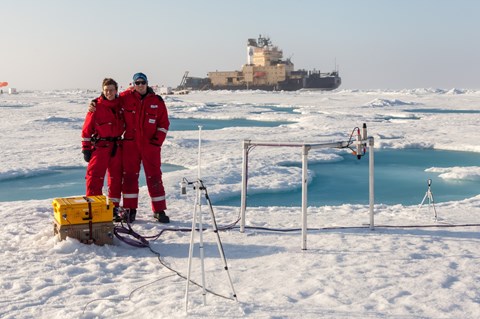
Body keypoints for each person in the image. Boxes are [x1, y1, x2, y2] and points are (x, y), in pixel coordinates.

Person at [90, 73, 170, 223]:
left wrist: (156, 142)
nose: (140, 85)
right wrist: (95, 103)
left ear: (147, 83)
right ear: (133, 84)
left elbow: (164, 124)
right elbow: (109, 101)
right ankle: (129, 210)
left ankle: (159, 210)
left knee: (154, 177)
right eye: (137, 83)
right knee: (130, 177)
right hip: (130, 145)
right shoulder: (125, 98)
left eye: (142, 82)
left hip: (150, 146)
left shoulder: (157, 101)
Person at [82, 78, 124, 214]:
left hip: (117, 147)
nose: (109, 93)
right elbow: (86, 130)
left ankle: (114, 208)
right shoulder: (96, 107)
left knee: (115, 178)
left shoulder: (121, 105)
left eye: (111, 90)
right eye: (106, 90)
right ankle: (94, 208)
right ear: (102, 90)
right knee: (94, 177)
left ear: (116, 90)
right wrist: (86, 149)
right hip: (100, 147)